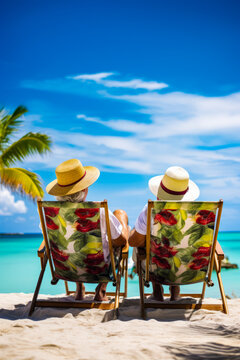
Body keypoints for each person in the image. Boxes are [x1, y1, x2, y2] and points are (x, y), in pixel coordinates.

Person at [46, 158, 129, 301]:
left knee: (71, 244)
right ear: (84, 189)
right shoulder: (100, 210)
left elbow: (51, 241)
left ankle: (79, 289)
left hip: (67, 270)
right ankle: (101, 291)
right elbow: (120, 240)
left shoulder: (50, 214)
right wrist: (126, 229)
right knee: (118, 238)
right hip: (98, 269)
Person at [129, 166, 200, 301]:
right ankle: (175, 290)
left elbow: (134, 242)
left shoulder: (149, 210)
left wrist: (134, 230)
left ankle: (157, 290)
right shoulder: (195, 213)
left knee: (145, 245)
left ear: (160, 191)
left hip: (156, 267)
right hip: (188, 268)